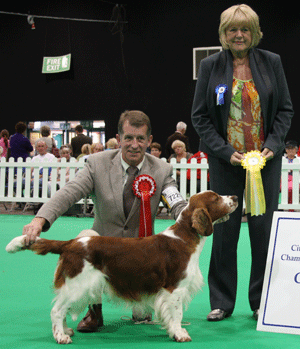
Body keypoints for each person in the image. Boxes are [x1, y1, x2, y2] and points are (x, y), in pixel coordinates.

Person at [21, 110, 187, 332]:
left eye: (140, 139)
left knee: (142, 313)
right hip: (103, 250)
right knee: (85, 239)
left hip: (142, 255)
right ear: (118, 139)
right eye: (128, 138)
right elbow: (70, 191)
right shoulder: (97, 163)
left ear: (149, 140)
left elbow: (175, 200)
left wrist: (189, 216)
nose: (134, 145)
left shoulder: (162, 169)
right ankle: (94, 311)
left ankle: (141, 305)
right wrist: (40, 219)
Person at [191, 4, 293, 322]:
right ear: (223, 34)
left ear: (254, 33)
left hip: (264, 163)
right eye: (232, 29)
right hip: (225, 162)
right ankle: (222, 301)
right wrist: (223, 151)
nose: (239, 35)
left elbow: (285, 111)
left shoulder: (271, 62)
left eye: (245, 29)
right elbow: (200, 116)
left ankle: (261, 301)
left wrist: (272, 148)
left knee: (262, 232)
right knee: (224, 233)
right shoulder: (210, 66)